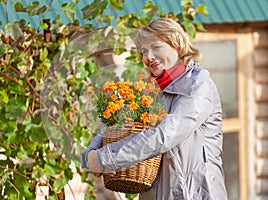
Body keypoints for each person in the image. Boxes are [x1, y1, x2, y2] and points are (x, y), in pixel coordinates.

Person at [81, 18, 228, 199]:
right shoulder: (150, 89)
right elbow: (119, 126)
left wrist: (106, 159)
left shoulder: (198, 86)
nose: (148, 57)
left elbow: (163, 135)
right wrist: (91, 154)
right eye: (144, 51)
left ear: (177, 45)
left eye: (156, 47)